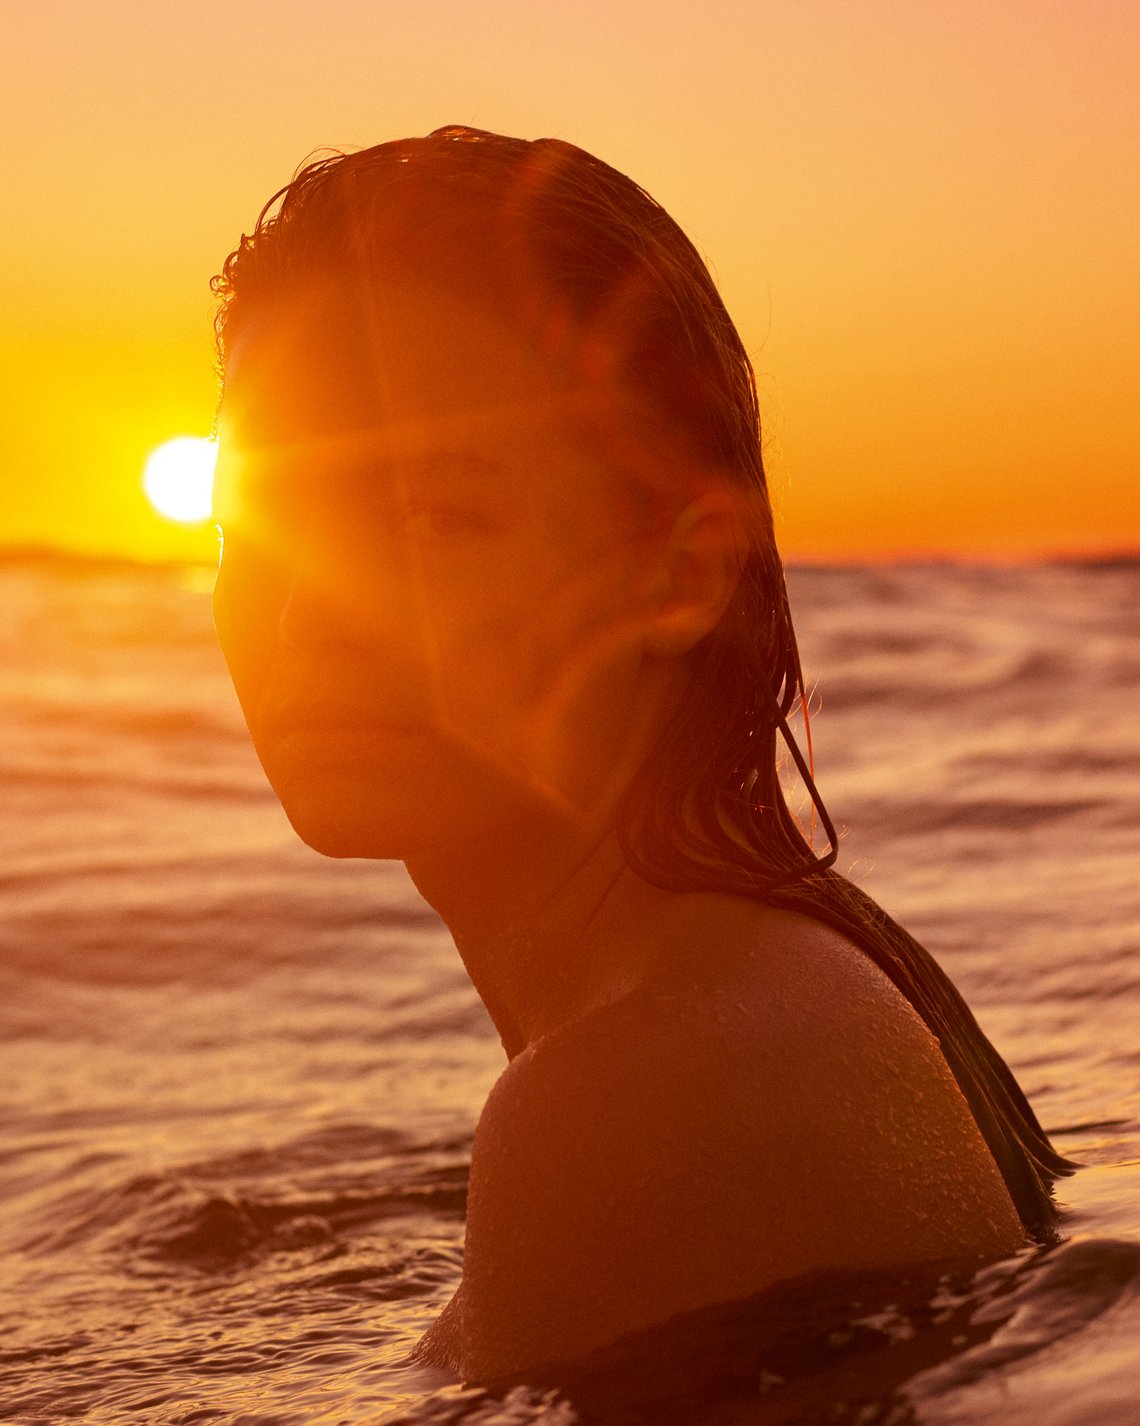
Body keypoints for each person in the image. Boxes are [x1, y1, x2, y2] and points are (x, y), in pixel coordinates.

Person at [210, 126, 1073, 1382]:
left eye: (431, 514)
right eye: (255, 525)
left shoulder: (652, 1091)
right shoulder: (795, 973)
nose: (304, 614)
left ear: (681, 568)